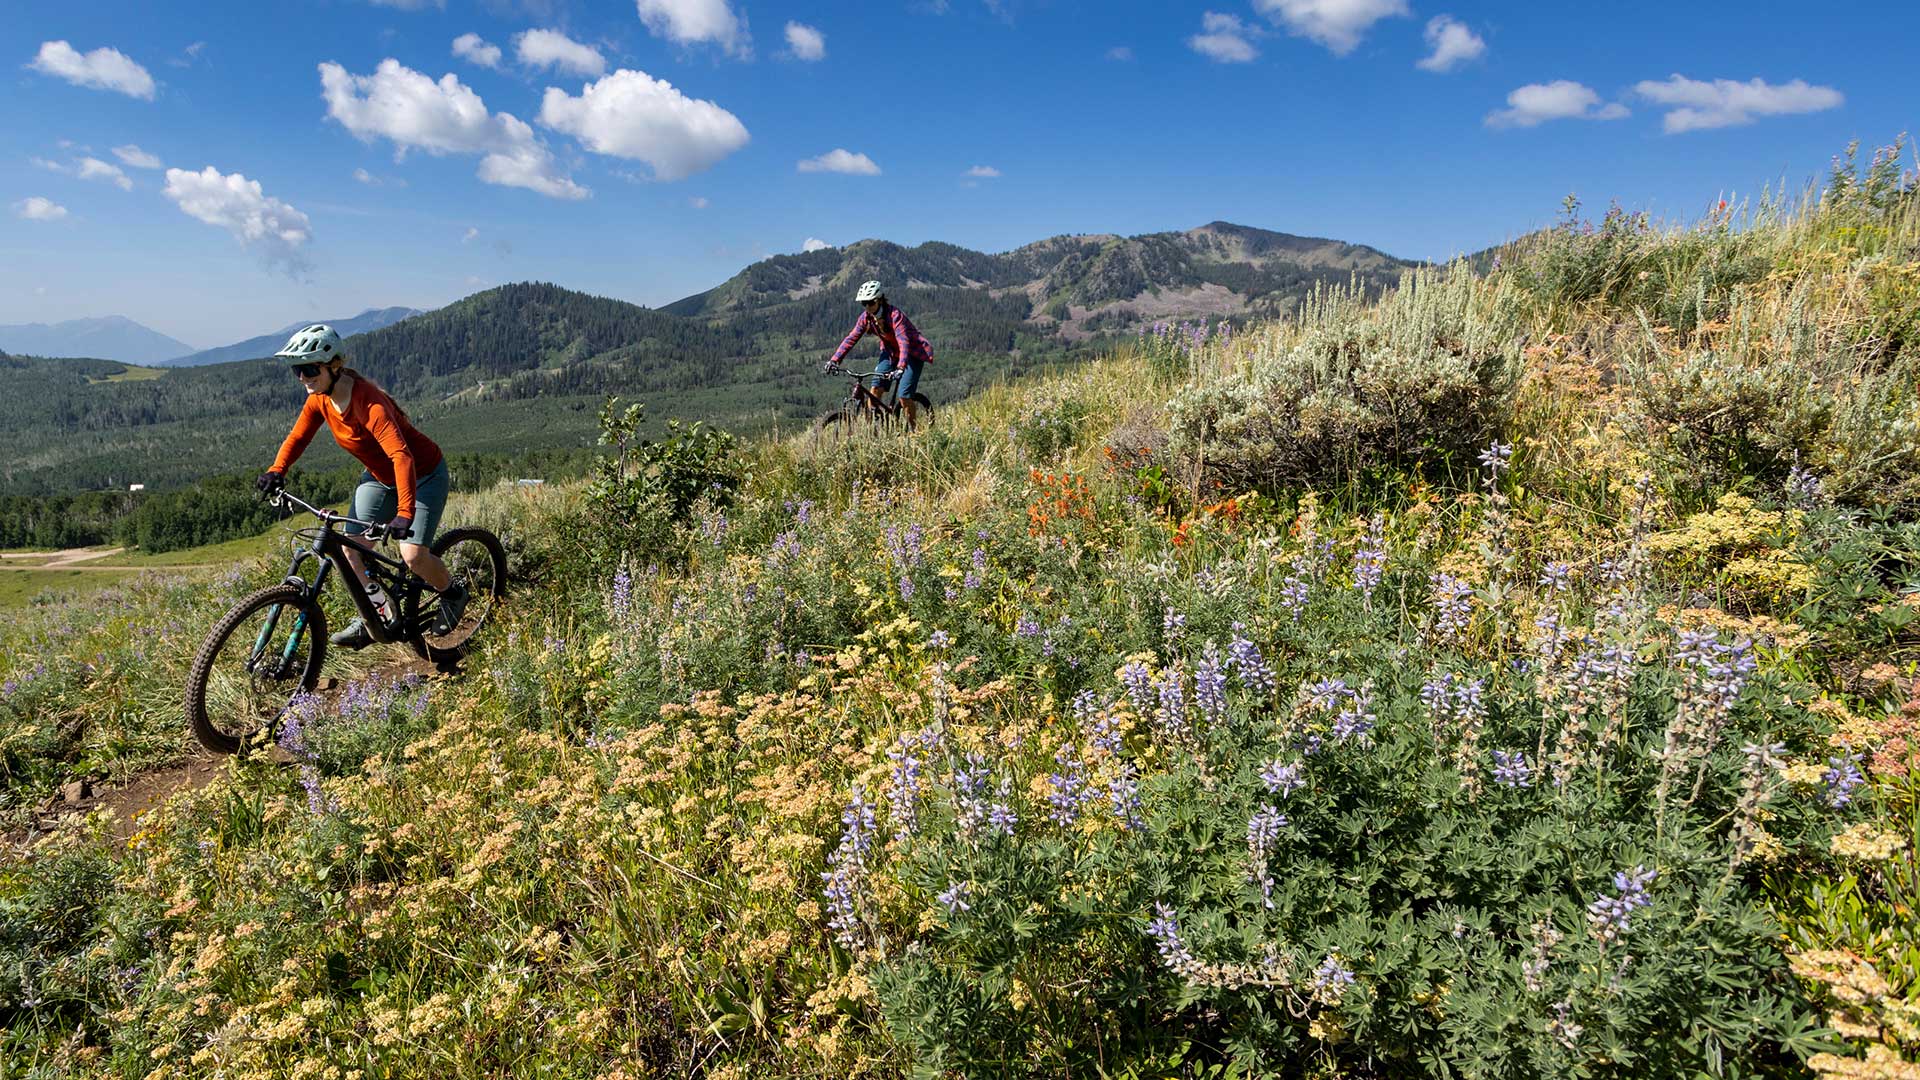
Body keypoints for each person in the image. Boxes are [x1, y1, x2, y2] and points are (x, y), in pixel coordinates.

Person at [254, 324, 466, 648]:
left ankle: (452, 593)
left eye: (310, 369)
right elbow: (298, 437)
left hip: (423, 475)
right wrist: (276, 470)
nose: (303, 378)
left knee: (412, 556)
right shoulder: (320, 400)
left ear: (334, 366)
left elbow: (402, 456)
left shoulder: (370, 404)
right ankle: (378, 615)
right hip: (380, 478)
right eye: (298, 370)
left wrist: (404, 513)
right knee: (350, 550)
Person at [825, 280, 934, 427]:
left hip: (911, 354)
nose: (867, 307)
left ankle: (915, 433)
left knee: (904, 396)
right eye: (864, 303)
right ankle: (874, 431)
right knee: (875, 390)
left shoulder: (895, 315)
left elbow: (904, 342)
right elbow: (851, 338)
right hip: (890, 352)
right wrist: (834, 360)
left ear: (880, 299)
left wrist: (901, 367)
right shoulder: (866, 318)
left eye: (870, 303)